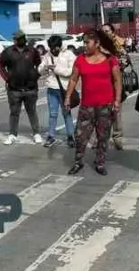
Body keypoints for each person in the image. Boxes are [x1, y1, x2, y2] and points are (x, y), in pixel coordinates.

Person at [65, 31, 122, 175]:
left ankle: (100, 163)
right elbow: (73, 79)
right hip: (86, 106)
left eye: (87, 42)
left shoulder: (111, 59)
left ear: (97, 44)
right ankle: (78, 162)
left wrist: (117, 100)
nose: (84, 45)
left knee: (103, 137)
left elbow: (117, 80)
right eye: (83, 42)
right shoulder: (80, 59)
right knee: (80, 136)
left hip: (105, 106)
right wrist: (67, 97)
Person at [0, 30, 43, 145]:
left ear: (23, 39)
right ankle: (13, 134)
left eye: (17, 38)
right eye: (15, 38)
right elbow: (1, 66)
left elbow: (39, 65)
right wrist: (7, 78)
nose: (15, 40)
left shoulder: (32, 51)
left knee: (32, 111)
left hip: (30, 89)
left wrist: (35, 76)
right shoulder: (8, 52)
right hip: (14, 89)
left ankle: (36, 133)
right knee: (14, 112)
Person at [39, 35, 76, 148]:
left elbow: (71, 72)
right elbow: (40, 70)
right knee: (52, 114)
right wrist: (45, 68)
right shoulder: (47, 55)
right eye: (50, 47)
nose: (52, 50)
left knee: (66, 113)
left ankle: (70, 136)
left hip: (64, 89)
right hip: (51, 88)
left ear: (60, 46)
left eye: (54, 48)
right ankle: (51, 136)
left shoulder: (69, 54)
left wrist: (56, 69)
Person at [100, 23, 128, 149]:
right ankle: (99, 138)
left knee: (116, 112)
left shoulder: (118, 45)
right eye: (103, 31)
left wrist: (113, 63)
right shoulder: (97, 46)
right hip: (101, 83)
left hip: (115, 82)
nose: (105, 33)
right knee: (100, 113)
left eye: (107, 30)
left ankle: (117, 138)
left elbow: (125, 61)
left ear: (112, 32)